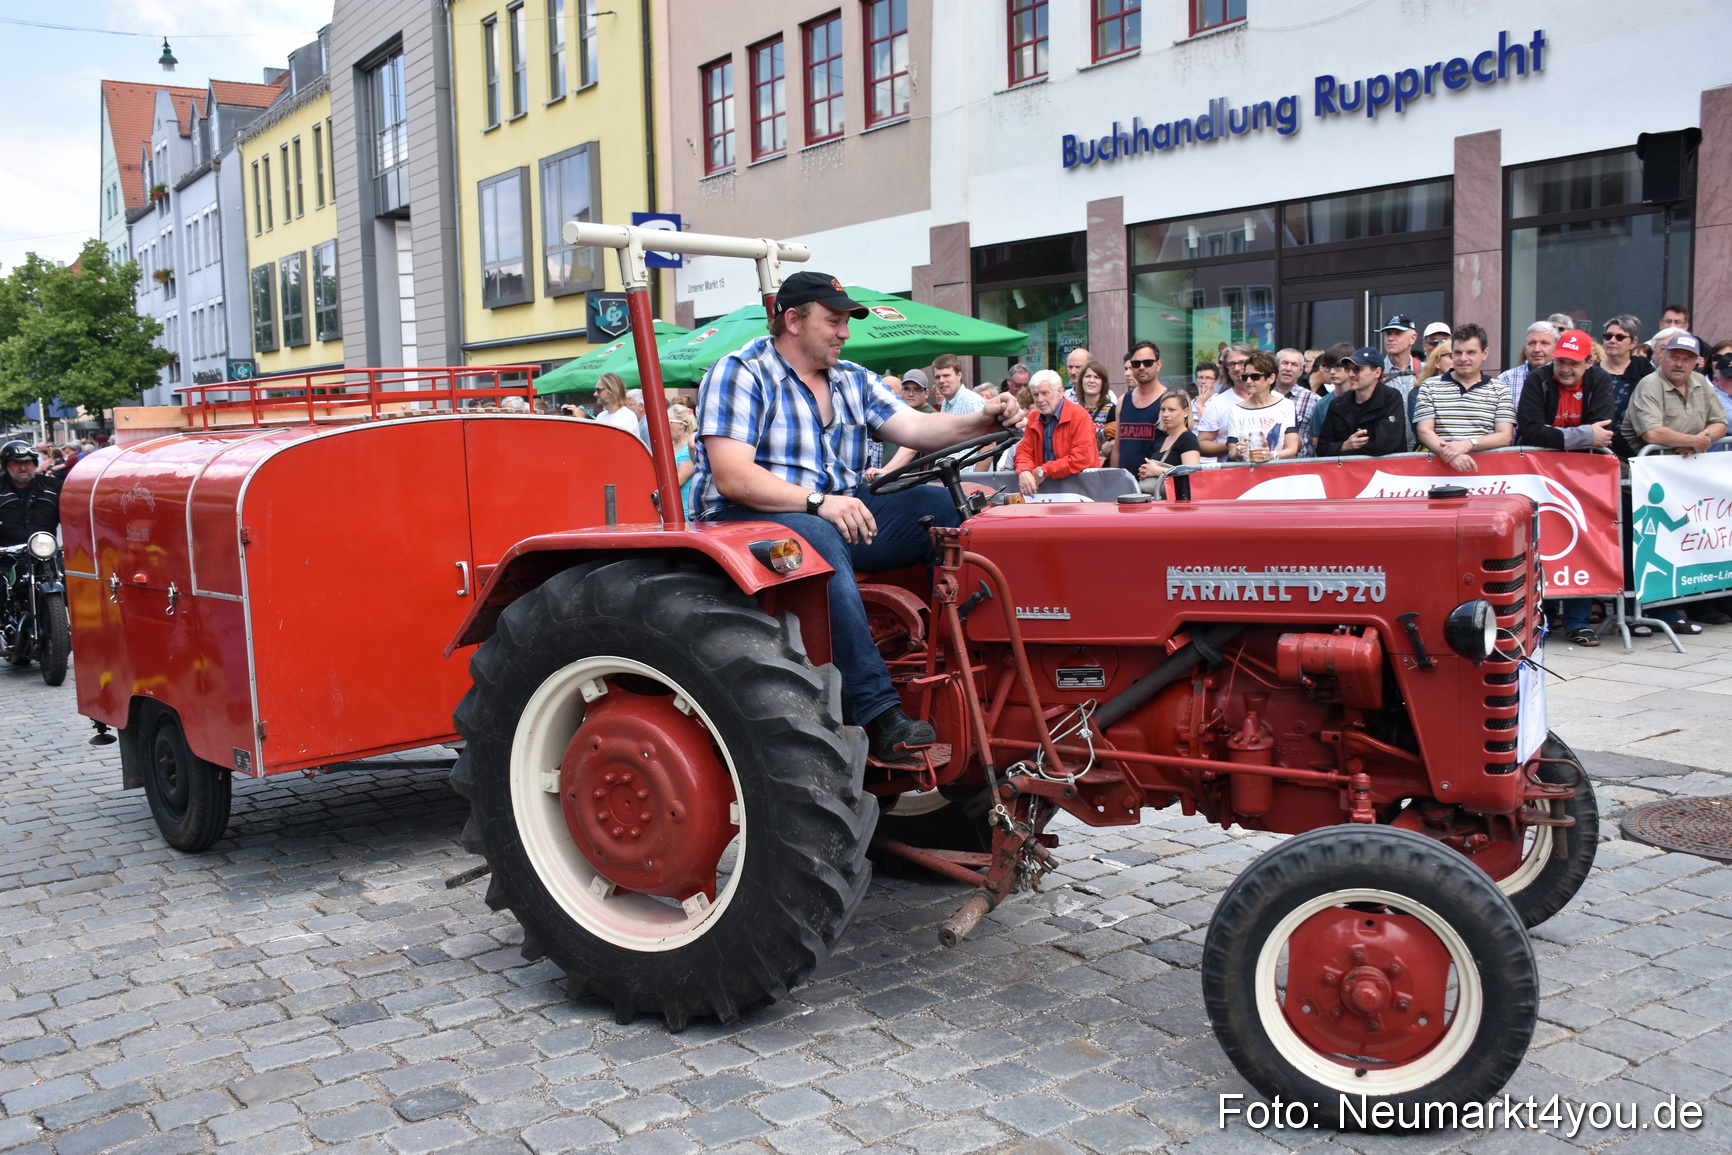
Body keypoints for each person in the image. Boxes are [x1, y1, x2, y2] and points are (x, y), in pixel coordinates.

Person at [690, 271, 1023, 760]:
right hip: (746, 519)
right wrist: (818, 502)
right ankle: (876, 711)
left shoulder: (851, 378)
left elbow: (917, 428)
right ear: (793, 320)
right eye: (834, 321)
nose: (845, 332)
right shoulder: (741, 372)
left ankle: (973, 666)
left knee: (947, 510)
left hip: (837, 509)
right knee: (818, 537)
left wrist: (982, 418)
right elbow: (733, 476)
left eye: (847, 321)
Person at [1515, 330, 1616, 646]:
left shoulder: (1600, 379)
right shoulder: (1539, 379)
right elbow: (1530, 430)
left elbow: (1605, 428)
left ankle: (1578, 622)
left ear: (1589, 362)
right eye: (1561, 362)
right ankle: (1540, 619)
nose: (1565, 369)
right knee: (1541, 542)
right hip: (1538, 472)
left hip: (1583, 472)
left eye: (1573, 363)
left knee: (1581, 539)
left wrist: (1560, 436)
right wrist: (1584, 435)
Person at [1413, 322, 1514, 473]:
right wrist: (1452, 455)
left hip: (1487, 475)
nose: (1463, 358)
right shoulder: (1430, 386)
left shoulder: (1500, 389)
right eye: (1457, 353)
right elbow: (1424, 431)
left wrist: (1468, 444)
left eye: (1471, 352)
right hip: (1437, 475)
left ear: (1485, 353)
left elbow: (1505, 436)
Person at [1622, 332, 1726, 457]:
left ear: (1696, 362)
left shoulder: (1700, 381)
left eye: (1687, 359)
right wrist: (1693, 441)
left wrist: (1703, 438)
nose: (1679, 364)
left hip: (1689, 461)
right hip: (1647, 464)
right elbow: (1652, 433)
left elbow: (1720, 423)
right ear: (1664, 356)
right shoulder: (1649, 385)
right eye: (1674, 357)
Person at [1014, 369, 1100, 497]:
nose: (1040, 399)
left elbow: (1082, 458)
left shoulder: (1079, 416)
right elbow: (1024, 452)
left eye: (1045, 393)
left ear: (1060, 392)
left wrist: (1044, 471)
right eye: (1035, 395)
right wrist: (1024, 471)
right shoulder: (1033, 418)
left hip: (1080, 493)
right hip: (1044, 493)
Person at [1316, 348, 1408, 457]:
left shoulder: (1391, 398)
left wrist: (1347, 451)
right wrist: (1344, 446)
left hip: (1386, 467)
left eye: (1357, 369)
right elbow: (1322, 448)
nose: (1351, 374)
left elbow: (1385, 444)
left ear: (1377, 372)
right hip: (1345, 467)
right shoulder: (1338, 404)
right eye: (1348, 368)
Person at [0, 442, 59, 596]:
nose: (23, 467)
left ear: (34, 464)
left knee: (73, 584)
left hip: (47, 555)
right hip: (7, 557)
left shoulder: (53, 487)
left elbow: (74, 520)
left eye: (27, 463)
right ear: (6, 465)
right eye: (16, 463)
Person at [1223, 350, 1300, 462]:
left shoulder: (1286, 405)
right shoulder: (1235, 410)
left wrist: (1271, 455)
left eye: (1255, 376)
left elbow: (1292, 449)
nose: (1248, 381)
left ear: (1271, 378)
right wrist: (1239, 452)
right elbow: (1231, 453)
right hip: (1248, 470)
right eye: (1245, 377)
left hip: (1278, 471)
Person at [1110, 340, 1166, 493]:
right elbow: (1117, 447)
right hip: (1125, 488)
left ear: (1158, 364)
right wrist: (1115, 481)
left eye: (1147, 363)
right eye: (1136, 364)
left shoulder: (1169, 400)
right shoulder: (1123, 401)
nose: (1141, 367)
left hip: (1156, 489)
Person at [868, 369, 937, 481]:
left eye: (917, 389)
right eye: (906, 389)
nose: (911, 394)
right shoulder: (896, 414)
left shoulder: (930, 415)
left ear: (926, 393)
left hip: (913, 484)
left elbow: (911, 447)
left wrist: (887, 471)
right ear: (900, 392)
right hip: (890, 483)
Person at [1600, 314, 1652, 457]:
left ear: (1633, 343)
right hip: (1602, 448)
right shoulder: (1592, 372)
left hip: (1636, 447)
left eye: (1620, 337)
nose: (1612, 341)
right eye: (1608, 336)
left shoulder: (1644, 369)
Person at [1197, 343, 1254, 457]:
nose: (1237, 368)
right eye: (1232, 364)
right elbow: (1201, 444)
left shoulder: (1275, 399)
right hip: (1232, 466)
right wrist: (1232, 446)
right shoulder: (1218, 403)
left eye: (1242, 362)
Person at [1139, 389, 1201, 491]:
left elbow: (1192, 476)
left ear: (1185, 412)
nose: (1165, 414)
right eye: (1163, 409)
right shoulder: (1162, 439)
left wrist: (1157, 471)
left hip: (1176, 499)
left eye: (1172, 410)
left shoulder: (1188, 439)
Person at [1496, 322, 1557, 412]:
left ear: (1556, 348)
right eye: (1532, 343)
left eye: (1544, 343)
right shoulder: (1506, 379)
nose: (1537, 349)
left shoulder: (1564, 377)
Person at [1068, 358, 1117, 459]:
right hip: (1075, 464)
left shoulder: (1111, 410)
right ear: (1081, 380)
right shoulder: (1073, 411)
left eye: (1096, 377)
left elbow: (1112, 445)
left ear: (1103, 382)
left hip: (1100, 466)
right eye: (1088, 376)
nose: (1091, 380)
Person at [1276, 348, 1316, 458]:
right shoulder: (1263, 396)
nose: (1288, 368)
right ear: (1275, 366)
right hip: (1267, 464)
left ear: (1301, 372)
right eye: (1284, 363)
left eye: (1294, 365)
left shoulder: (1312, 400)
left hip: (1300, 465)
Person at [667, 402, 699, 514]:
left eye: (669, 422)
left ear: (681, 425)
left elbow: (678, 481)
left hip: (683, 512)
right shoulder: (671, 446)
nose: (664, 425)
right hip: (671, 509)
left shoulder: (688, 449)